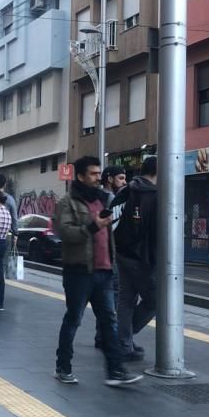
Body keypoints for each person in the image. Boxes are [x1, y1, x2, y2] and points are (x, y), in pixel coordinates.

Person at [54, 156, 142, 388]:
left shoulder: (103, 200)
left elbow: (108, 234)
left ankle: (116, 370)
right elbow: (66, 233)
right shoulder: (67, 202)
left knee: (109, 322)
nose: (98, 177)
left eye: (98, 173)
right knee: (73, 319)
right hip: (79, 272)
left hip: (104, 271)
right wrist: (93, 225)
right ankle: (63, 366)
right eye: (93, 173)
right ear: (81, 175)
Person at [109, 156, 159, 361]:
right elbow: (156, 231)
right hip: (141, 257)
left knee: (126, 299)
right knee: (155, 300)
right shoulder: (155, 194)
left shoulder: (125, 191)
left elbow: (111, 219)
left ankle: (123, 343)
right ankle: (125, 336)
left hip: (120, 253)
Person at [94, 165, 127, 350]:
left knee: (102, 298)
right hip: (110, 255)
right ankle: (106, 337)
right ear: (110, 179)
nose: (124, 182)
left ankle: (101, 335)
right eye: (121, 178)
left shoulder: (96, 197)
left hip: (99, 254)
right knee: (111, 297)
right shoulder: (112, 199)